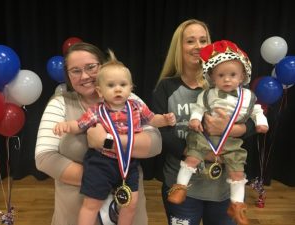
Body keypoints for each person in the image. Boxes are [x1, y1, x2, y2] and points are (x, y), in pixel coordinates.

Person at [35, 42, 162, 225]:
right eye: (75, 71)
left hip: (127, 206)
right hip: (76, 210)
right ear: (68, 76)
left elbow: (155, 144)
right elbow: (44, 158)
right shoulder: (60, 103)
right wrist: (101, 178)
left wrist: (106, 141)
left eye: (91, 67)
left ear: (103, 67)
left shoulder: (128, 99)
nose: (85, 76)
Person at [150, 19, 256, 225]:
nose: (198, 46)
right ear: (178, 48)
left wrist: (233, 129)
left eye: (203, 40)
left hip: (221, 189)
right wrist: (200, 153)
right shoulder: (166, 87)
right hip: (182, 186)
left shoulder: (227, 81)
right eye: (190, 41)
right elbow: (159, 133)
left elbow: (252, 121)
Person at [167, 40, 269, 225]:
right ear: (213, 77)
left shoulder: (248, 97)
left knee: (237, 173)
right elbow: (198, 108)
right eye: (221, 75)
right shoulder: (207, 94)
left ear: (242, 77)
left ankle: (237, 206)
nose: (227, 79)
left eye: (232, 75)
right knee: (191, 158)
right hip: (204, 138)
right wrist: (195, 119)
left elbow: (257, 111)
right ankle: (180, 187)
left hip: (231, 143)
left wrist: (260, 123)